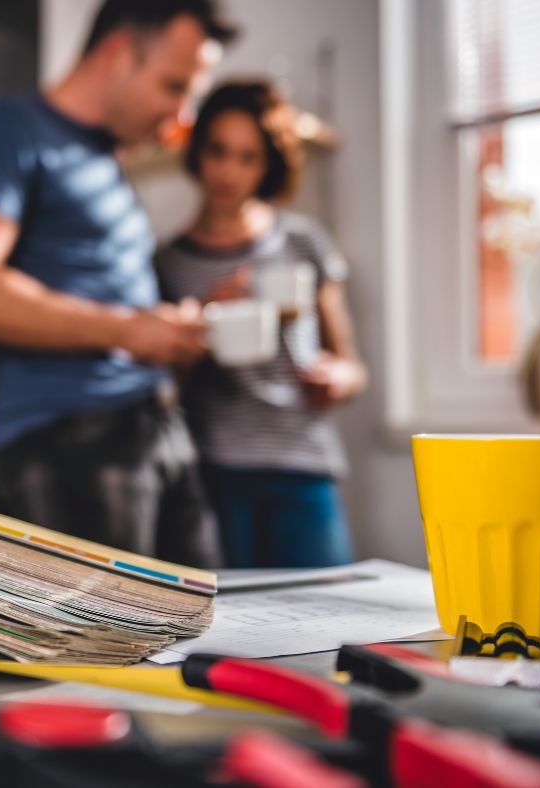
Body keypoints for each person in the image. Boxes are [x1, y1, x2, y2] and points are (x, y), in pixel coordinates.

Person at [0, 1, 237, 564]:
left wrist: (166, 329)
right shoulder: (11, 129)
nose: (182, 115)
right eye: (173, 86)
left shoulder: (104, 160)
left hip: (153, 425)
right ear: (117, 53)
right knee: (114, 650)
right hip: (73, 439)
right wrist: (128, 330)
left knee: (202, 631)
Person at [156, 82, 368, 568]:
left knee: (325, 630)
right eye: (218, 151)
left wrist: (337, 378)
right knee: (231, 633)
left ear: (268, 165)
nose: (228, 172)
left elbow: (353, 366)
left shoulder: (304, 242)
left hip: (304, 465)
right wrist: (205, 317)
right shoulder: (170, 262)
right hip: (217, 473)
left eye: (248, 157)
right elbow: (166, 390)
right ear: (197, 152)